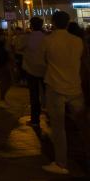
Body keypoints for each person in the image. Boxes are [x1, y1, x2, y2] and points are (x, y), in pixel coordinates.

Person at [40, 11, 88, 175]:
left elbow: (44, 61)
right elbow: (82, 62)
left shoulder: (48, 41)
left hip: (55, 86)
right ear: (68, 23)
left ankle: (61, 163)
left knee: (59, 128)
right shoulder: (78, 41)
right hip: (75, 86)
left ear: (53, 22)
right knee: (83, 125)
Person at [22, 16, 46, 127]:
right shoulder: (46, 38)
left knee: (34, 95)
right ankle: (51, 115)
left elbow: (17, 47)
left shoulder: (27, 38)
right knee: (47, 94)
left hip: (31, 70)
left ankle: (35, 120)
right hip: (45, 69)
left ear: (31, 25)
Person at [0, 29, 13, 108]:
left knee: (7, 81)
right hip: (2, 64)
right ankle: (1, 99)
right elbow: (7, 52)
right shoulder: (0, 43)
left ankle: (2, 98)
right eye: (3, 35)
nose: (4, 37)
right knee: (5, 81)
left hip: (2, 63)